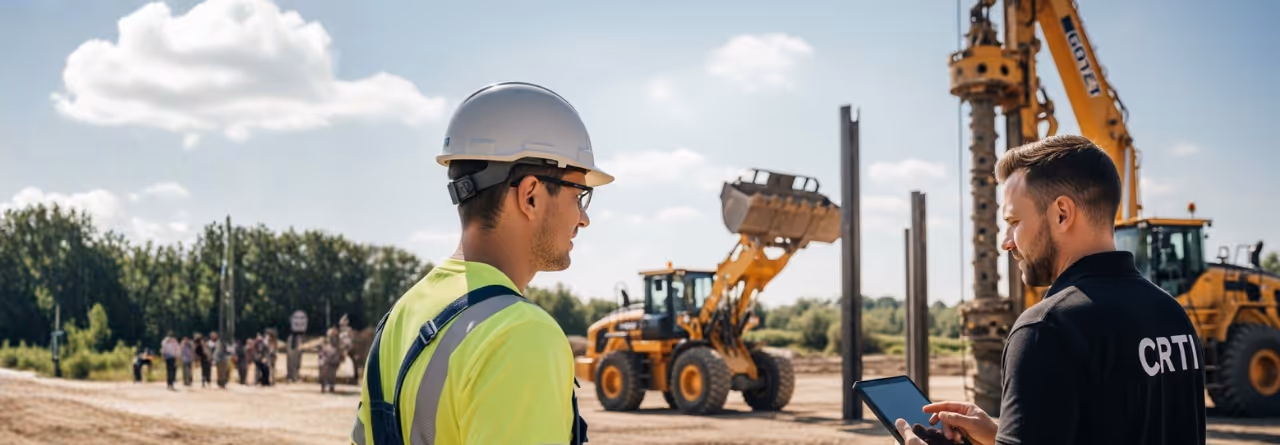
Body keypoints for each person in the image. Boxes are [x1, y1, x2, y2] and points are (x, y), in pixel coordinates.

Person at [897, 135, 1206, 445]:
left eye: (1014, 221)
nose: (1006, 241)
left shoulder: (1047, 329)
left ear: (1062, 213)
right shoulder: (1172, 315)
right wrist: (1003, 437)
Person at [350, 82, 611, 445]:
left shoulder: (400, 317)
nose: (583, 218)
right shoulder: (520, 334)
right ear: (531, 195)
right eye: (578, 195)